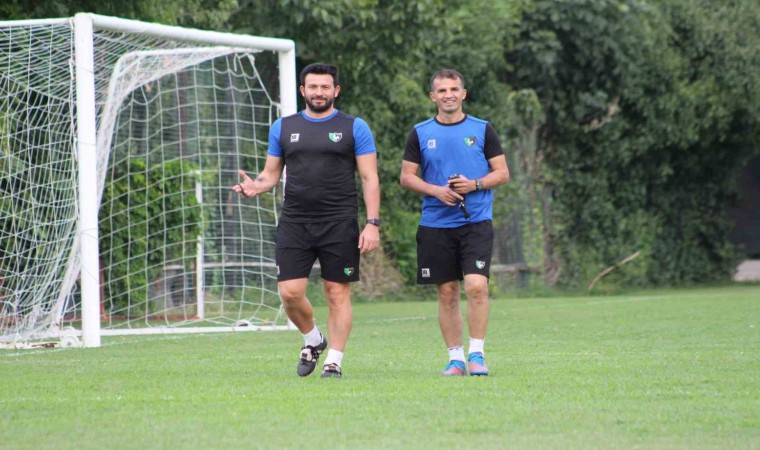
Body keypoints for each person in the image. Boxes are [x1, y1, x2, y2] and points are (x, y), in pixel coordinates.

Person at [233, 63, 381, 379]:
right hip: (295, 221)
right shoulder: (283, 127)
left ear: (336, 90)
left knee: (336, 292)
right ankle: (313, 339)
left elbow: (370, 177)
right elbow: (270, 174)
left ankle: (334, 361)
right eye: (313, 87)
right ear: (303, 90)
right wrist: (255, 186)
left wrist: (372, 223)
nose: (319, 92)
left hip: (339, 221)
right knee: (290, 292)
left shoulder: (355, 127)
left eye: (325, 87)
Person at [399, 68, 509, 376]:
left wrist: (474, 185)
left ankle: (477, 354)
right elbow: (406, 177)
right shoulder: (420, 132)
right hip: (436, 223)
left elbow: (502, 173)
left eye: (453, 89)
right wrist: (437, 191)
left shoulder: (482, 129)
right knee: (447, 292)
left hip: (476, 221)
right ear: (432, 96)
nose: (448, 95)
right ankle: (456, 359)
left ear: (463, 94)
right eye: (442, 90)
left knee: (476, 286)